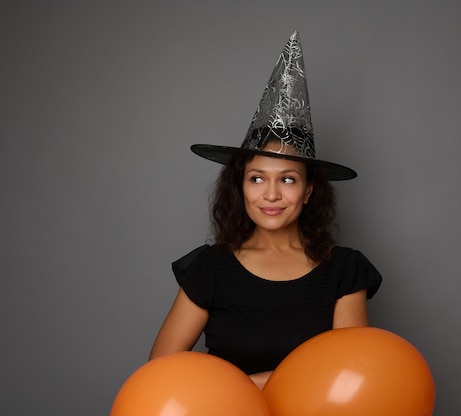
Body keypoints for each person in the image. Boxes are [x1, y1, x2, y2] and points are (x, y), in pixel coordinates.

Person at [149, 31, 382, 390]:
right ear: (240, 186)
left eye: (287, 180)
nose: (271, 194)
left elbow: (350, 374)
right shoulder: (210, 269)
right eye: (257, 179)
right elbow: (159, 374)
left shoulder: (345, 271)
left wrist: (248, 385)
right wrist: (268, 386)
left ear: (308, 191)